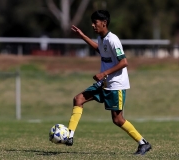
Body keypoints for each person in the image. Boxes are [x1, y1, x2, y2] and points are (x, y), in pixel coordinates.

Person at [65, 10, 152, 155]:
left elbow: (124, 62)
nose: (93, 25)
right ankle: (69, 136)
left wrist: (103, 73)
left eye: (96, 23)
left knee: (118, 120)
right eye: (92, 22)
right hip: (104, 83)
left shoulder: (113, 40)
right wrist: (82, 36)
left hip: (116, 85)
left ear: (104, 23)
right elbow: (100, 50)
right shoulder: (101, 38)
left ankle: (143, 143)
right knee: (78, 99)